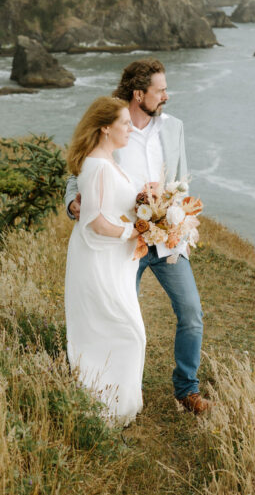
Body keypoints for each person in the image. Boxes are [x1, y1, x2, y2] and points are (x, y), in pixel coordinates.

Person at [65, 59, 210, 415]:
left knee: (191, 312)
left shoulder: (174, 128)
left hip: (166, 239)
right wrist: (73, 204)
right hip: (122, 244)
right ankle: (115, 386)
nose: (166, 96)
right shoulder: (114, 124)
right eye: (160, 90)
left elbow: (182, 179)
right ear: (139, 93)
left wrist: (178, 215)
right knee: (117, 316)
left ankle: (186, 390)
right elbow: (78, 171)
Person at [64, 95, 147, 426]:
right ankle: (104, 407)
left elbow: (115, 206)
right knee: (123, 330)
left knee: (119, 328)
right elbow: (95, 221)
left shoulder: (109, 161)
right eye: (125, 123)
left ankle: (119, 404)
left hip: (116, 263)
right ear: (104, 128)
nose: (130, 128)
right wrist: (132, 232)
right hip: (98, 260)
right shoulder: (97, 166)